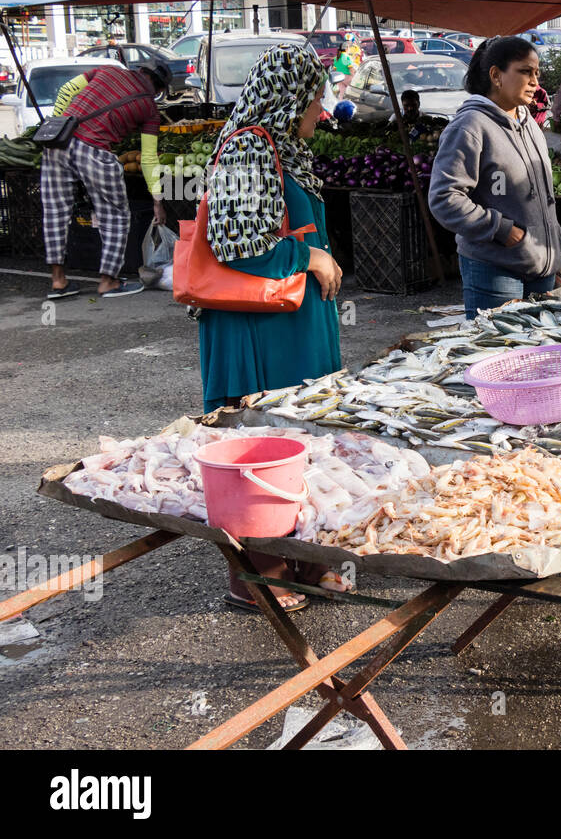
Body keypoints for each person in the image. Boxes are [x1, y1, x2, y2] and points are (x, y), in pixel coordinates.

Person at [198, 43, 345, 612]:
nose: (321, 111)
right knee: (263, 441)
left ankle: (306, 560)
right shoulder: (247, 151)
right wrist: (309, 260)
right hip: (259, 328)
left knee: (302, 436)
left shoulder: (281, 151)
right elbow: (235, 244)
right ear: (289, 100)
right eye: (314, 98)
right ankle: (259, 575)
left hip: (293, 323)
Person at [428, 35, 561, 318]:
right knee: (499, 355)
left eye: (537, 73)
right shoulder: (469, 126)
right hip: (495, 271)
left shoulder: (529, 125)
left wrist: (556, 248)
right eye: (525, 72)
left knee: (538, 357)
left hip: (540, 268)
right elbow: (444, 198)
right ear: (496, 75)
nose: (535, 82)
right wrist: (501, 229)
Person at [42, 58, 171, 299]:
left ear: (140, 70)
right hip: (94, 150)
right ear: (160, 89)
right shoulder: (149, 109)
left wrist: (60, 124)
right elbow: (149, 159)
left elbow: (67, 89)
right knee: (115, 215)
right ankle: (108, 282)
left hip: (57, 144)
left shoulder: (107, 71)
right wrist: (157, 200)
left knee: (55, 212)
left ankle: (58, 281)